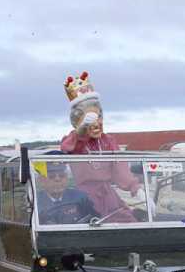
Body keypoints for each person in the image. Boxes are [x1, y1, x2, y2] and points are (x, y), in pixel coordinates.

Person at [59, 71, 141, 223]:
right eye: (90, 119)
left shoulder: (108, 140)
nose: (96, 123)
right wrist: (82, 130)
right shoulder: (73, 140)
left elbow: (120, 168)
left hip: (108, 195)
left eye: (99, 117)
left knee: (128, 222)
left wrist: (136, 188)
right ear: (78, 122)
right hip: (84, 198)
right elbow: (67, 148)